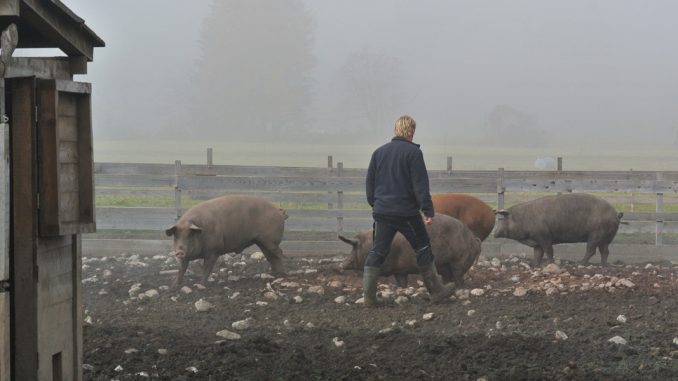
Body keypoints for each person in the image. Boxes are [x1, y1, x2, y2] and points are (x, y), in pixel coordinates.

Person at [363, 115, 455, 306]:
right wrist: (428, 211)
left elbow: (370, 183)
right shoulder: (413, 153)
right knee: (422, 246)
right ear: (411, 132)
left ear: (396, 130)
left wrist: (376, 204)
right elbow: (420, 185)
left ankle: (369, 298)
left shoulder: (378, 153)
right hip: (406, 213)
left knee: (378, 251)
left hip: (382, 211)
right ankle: (436, 291)